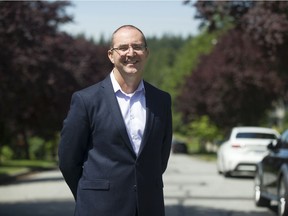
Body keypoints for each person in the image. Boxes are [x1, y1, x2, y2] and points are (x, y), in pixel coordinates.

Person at [58, 24, 173, 216]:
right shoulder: (86, 100)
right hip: (98, 208)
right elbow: (68, 161)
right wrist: (90, 196)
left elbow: (160, 159)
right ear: (111, 55)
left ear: (146, 53)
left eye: (137, 47)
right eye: (123, 47)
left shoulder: (161, 100)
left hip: (148, 208)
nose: (131, 52)